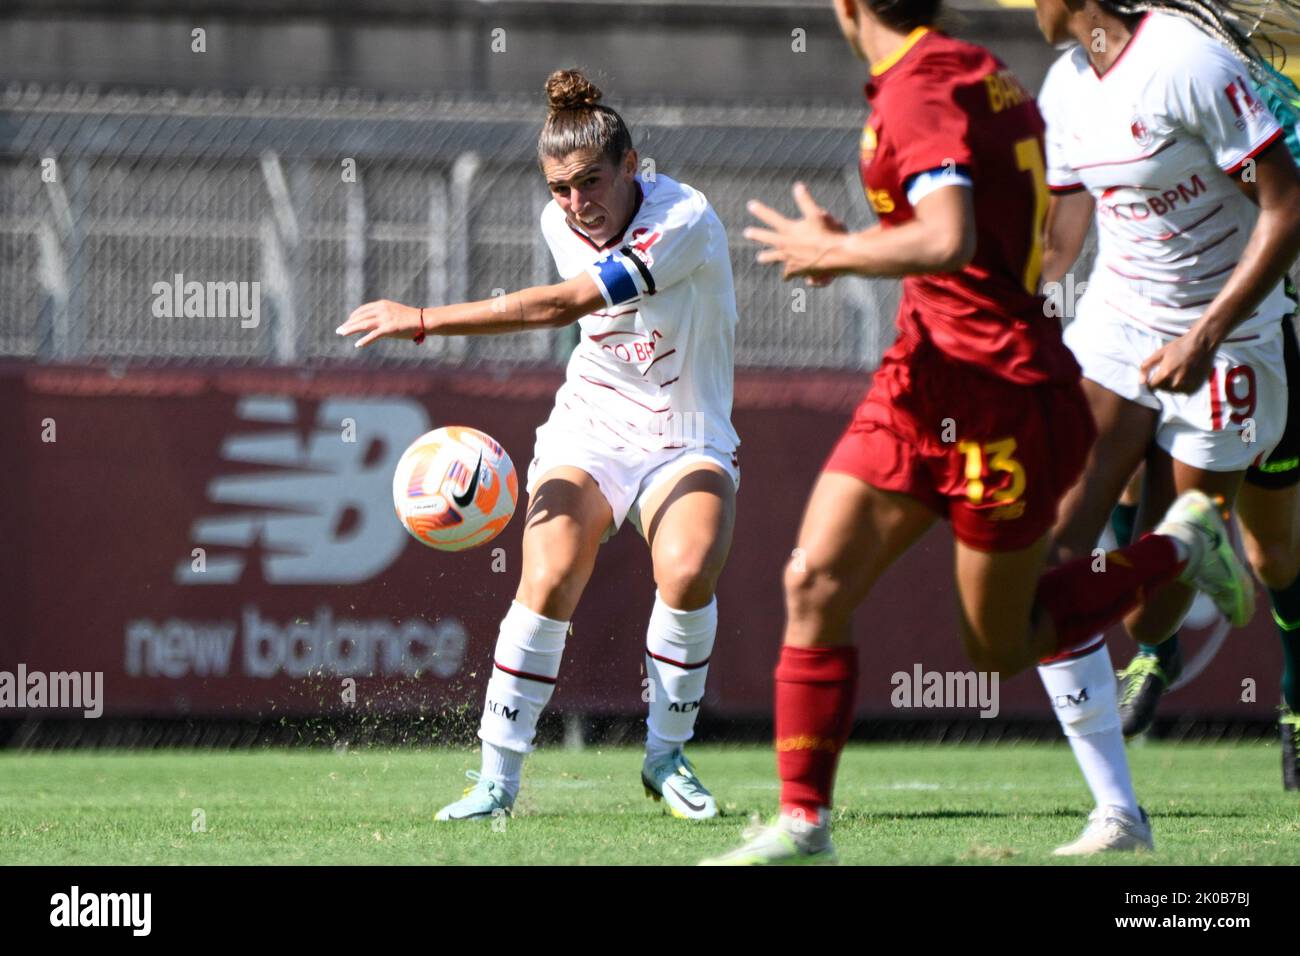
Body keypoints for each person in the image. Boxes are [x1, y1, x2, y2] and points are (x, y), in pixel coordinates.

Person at [700, 0, 1253, 865]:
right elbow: (989, 233)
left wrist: (836, 254)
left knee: (1002, 645)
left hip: (1000, 398)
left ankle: (1179, 551)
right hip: (918, 381)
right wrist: (879, 248)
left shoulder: (924, 89)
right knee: (813, 580)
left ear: (847, 7)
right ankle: (804, 823)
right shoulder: (972, 70)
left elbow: (951, 236)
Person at [338, 69, 742, 820]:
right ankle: (496, 783)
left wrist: (422, 318)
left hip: (685, 434)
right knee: (549, 579)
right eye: (559, 187)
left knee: (687, 571)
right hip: (589, 425)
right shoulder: (560, 222)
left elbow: (559, 305)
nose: (575, 203)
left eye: (591, 181)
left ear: (631, 165)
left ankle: (666, 757)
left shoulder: (683, 218)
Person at [1030, 0, 1300, 806]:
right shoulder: (1066, 84)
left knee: (1176, 604)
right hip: (1118, 328)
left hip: (1235, 336)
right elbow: (1060, 244)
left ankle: (1195, 565)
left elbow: (1287, 208)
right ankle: (1115, 809)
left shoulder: (1188, 63)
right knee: (1051, 543)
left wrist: (1206, 336)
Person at [1110, 60, 1300, 791]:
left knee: (1274, 554)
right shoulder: (1129, 90)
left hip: (1257, 347)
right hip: (1156, 335)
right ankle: (1157, 650)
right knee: (1127, 459)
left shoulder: (1258, 107)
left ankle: (1293, 701)